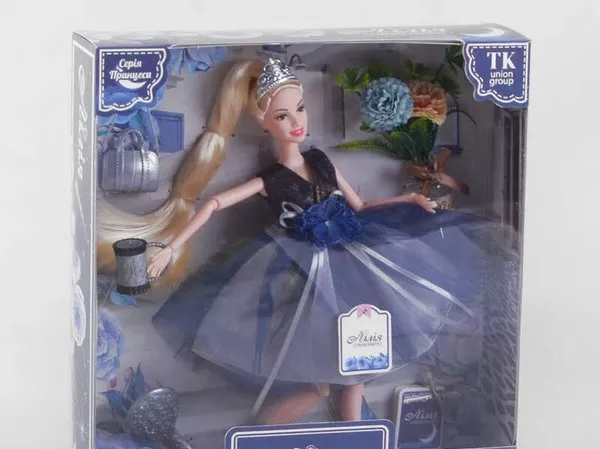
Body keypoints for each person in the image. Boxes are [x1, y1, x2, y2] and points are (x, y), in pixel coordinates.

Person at [145, 58, 488, 425]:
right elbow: (214, 203)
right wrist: (170, 247)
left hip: (353, 262)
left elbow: (360, 206)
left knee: (356, 367)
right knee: (319, 382)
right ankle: (261, 436)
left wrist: (410, 198)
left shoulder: (320, 160)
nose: (297, 122)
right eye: (282, 116)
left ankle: (355, 437)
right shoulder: (271, 180)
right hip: (301, 276)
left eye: (300, 109)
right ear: (264, 123)